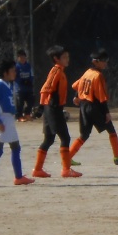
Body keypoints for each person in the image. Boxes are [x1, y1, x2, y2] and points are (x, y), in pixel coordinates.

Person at [32, 45, 81, 178]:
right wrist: (41, 107)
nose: (67, 59)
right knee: (65, 137)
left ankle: (37, 170)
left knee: (49, 139)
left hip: (52, 108)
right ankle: (66, 169)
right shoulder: (56, 71)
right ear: (56, 59)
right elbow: (45, 89)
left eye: (67, 56)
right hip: (52, 109)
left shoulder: (60, 71)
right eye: (64, 57)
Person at [69, 49, 118, 165]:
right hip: (94, 107)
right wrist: (106, 112)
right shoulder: (98, 75)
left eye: (106, 60)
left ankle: (68, 158)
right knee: (111, 130)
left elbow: (77, 85)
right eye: (103, 60)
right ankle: (117, 157)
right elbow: (101, 97)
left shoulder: (87, 72)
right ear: (95, 61)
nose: (105, 63)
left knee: (84, 135)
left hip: (84, 107)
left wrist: (76, 96)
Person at [0, 59, 36, 188]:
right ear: (5, 73)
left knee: (16, 147)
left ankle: (18, 177)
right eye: (13, 70)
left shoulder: (10, 85)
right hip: (1, 119)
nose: (15, 72)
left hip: (9, 119)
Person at [14, 50, 35, 121]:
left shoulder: (28, 66)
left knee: (31, 101)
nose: (22, 59)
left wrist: (29, 81)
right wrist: (21, 81)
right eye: (20, 57)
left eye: (24, 57)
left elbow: (32, 75)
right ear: (18, 58)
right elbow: (15, 77)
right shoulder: (16, 67)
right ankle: (19, 116)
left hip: (28, 88)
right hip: (20, 89)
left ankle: (27, 114)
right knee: (20, 103)